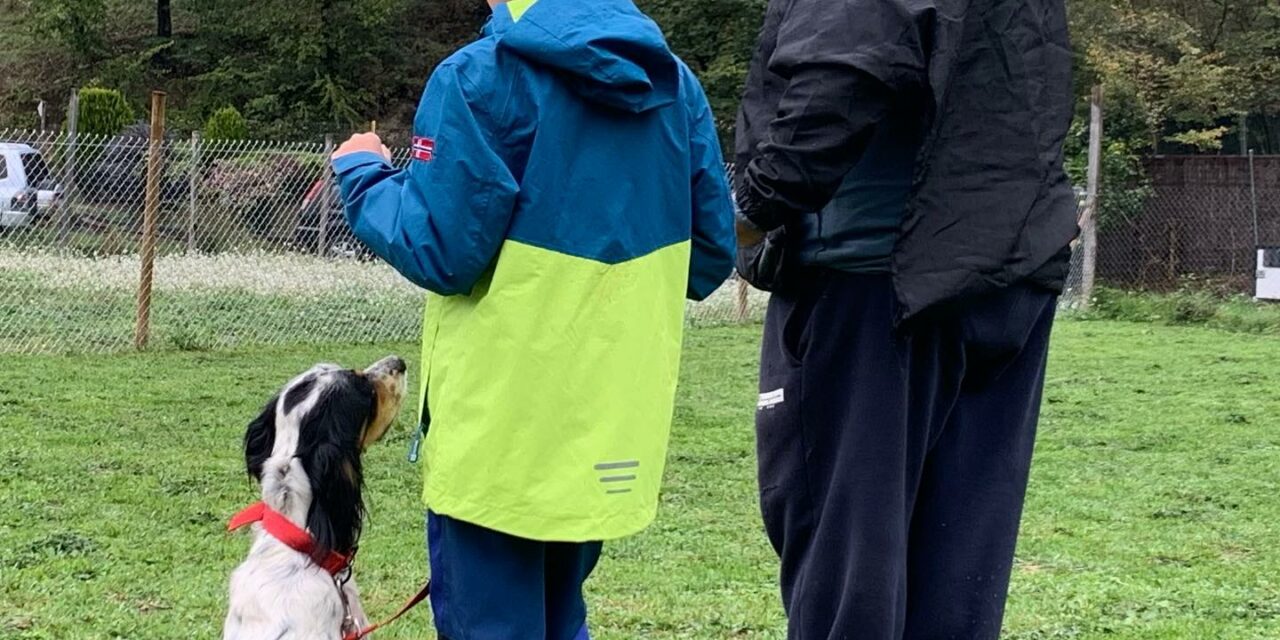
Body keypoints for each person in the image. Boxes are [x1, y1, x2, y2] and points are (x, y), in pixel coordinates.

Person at [330, 0, 735, 637]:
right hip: (608, 430)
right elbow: (709, 257)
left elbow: (439, 250)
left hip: (499, 437)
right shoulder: (672, 83)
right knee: (560, 619)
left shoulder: (478, 77)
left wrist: (363, 175)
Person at [733, 0, 1078, 637]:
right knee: (956, 579)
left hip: (875, 278)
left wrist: (750, 211)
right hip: (1002, 266)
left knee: (849, 577)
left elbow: (840, 70)